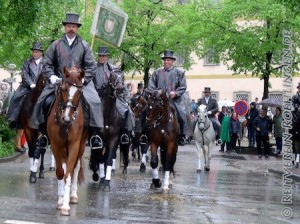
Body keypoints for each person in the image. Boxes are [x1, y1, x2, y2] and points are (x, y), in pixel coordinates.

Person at [30, 13, 103, 149]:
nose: (71, 29)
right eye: (69, 26)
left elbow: (91, 66)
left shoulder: (84, 45)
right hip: (59, 82)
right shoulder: (55, 45)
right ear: (65, 27)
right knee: (42, 101)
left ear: (77, 28)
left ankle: (95, 135)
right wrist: (52, 77)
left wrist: (83, 79)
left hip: (80, 83)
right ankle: (43, 134)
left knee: (95, 102)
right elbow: (47, 64)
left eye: (73, 26)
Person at [7, 41, 44, 152]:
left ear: (41, 53)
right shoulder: (27, 62)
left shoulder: (45, 63)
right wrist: (31, 83)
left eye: (37, 52)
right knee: (15, 98)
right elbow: (25, 74)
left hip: (42, 88)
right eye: (33, 51)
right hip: (27, 87)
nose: (35, 53)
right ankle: (14, 118)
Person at [93, 46, 135, 144]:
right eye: (100, 56)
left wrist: (124, 95)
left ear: (107, 57)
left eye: (104, 56)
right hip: (97, 95)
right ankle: (94, 135)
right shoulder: (93, 68)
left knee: (126, 109)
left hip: (113, 96)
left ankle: (125, 133)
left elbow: (121, 84)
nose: (101, 58)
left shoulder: (114, 69)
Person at [148, 49, 188, 146]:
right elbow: (151, 86)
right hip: (159, 100)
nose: (166, 62)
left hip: (174, 100)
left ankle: (182, 135)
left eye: (168, 60)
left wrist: (176, 93)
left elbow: (183, 87)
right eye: (165, 60)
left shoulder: (180, 72)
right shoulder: (157, 72)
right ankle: (144, 134)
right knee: (146, 112)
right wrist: (156, 92)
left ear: (173, 61)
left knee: (182, 114)